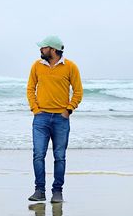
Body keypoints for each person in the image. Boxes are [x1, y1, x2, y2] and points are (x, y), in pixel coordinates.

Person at [27, 36, 83, 203]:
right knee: (38, 155)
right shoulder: (36, 66)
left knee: (60, 156)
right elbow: (30, 89)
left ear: (53, 49)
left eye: (43, 47)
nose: (40, 50)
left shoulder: (70, 67)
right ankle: (39, 190)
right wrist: (36, 109)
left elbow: (78, 91)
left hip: (61, 119)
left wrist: (69, 110)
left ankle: (57, 191)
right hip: (41, 118)